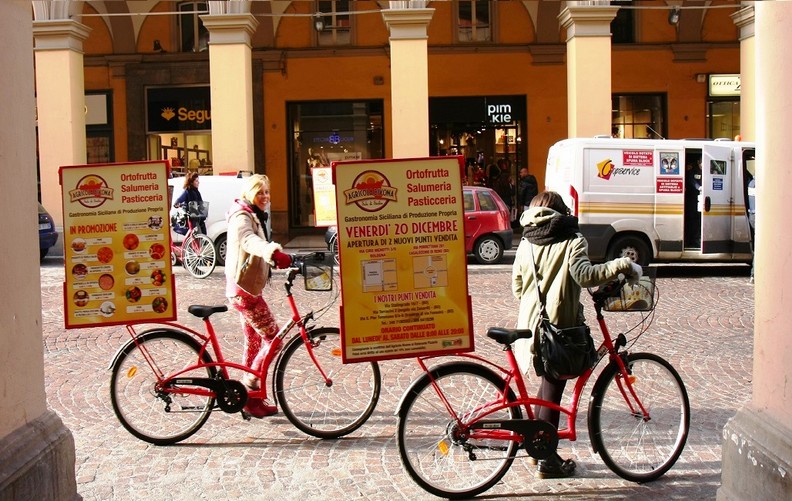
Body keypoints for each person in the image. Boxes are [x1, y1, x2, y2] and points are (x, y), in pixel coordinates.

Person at [511, 191, 641, 479]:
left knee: (548, 386)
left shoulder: (526, 240)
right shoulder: (571, 239)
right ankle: (547, 460)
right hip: (559, 329)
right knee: (554, 388)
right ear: (561, 212)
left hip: (531, 328)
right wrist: (623, 264)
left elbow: (517, 287)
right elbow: (584, 276)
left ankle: (538, 449)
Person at [225, 174, 293, 418]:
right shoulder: (242, 216)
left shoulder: (253, 213)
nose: (265, 197)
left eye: (267, 191)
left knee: (254, 341)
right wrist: (271, 252)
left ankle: (249, 399)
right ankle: (249, 386)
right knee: (275, 340)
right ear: (249, 193)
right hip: (245, 292)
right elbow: (247, 239)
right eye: (260, 192)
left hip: (245, 289)